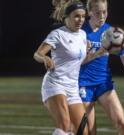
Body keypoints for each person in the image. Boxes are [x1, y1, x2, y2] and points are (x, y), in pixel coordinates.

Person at [79, 0, 124, 135]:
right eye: (97, 13)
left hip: (104, 84)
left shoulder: (111, 32)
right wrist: (97, 53)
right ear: (89, 12)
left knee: (122, 124)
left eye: (104, 12)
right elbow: (76, 63)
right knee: (90, 131)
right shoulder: (81, 33)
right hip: (83, 85)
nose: (102, 16)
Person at [33, 1, 89, 135]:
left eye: (83, 16)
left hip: (72, 88)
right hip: (55, 84)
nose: (80, 20)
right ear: (67, 17)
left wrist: (98, 53)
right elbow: (37, 54)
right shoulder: (57, 34)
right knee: (64, 125)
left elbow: (77, 61)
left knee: (83, 131)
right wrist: (45, 58)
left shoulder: (83, 35)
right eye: (76, 16)